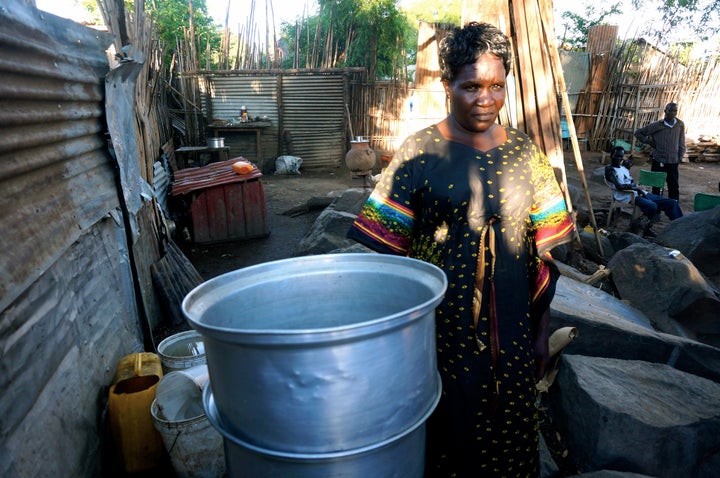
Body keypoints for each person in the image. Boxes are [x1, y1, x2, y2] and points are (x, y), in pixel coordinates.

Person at [347, 22, 574, 477]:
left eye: (496, 86)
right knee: (449, 435)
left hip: (513, 329)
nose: (485, 99)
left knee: (512, 434)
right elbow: (388, 262)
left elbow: (544, 255)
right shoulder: (418, 152)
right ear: (447, 84)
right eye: (471, 86)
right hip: (440, 337)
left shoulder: (526, 152)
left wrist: (540, 332)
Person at [605, 146, 683, 237]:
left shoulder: (623, 167)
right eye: (616, 156)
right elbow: (619, 186)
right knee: (652, 206)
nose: (618, 159)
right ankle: (644, 227)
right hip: (627, 196)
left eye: (620, 156)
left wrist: (629, 167)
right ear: (611, 156)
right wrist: (636, 188)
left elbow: (628, 178)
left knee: (671, 203)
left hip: (638, 193)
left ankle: (680, 226)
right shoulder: (610, 170)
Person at [634, 102, 685, 200]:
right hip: (658, 160)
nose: (673, 113)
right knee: (656, 186)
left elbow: (681, 142)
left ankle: (673, 207)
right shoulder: (657, 126)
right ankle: (656, 208)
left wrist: (680, 157)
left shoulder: (679, 125)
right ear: (665, 111)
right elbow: (638, 133)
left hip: (673, 161)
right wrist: (649, 142)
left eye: (675, 111)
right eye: (670, 111)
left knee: (673, 186)